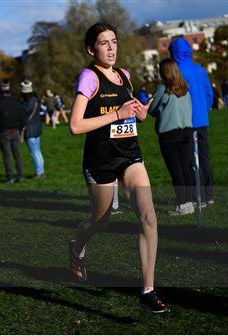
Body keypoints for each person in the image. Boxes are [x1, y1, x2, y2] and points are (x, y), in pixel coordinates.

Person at [68, 23, 168, 314]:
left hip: (129, 156)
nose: (111, 48)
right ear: (91, 49)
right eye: (103, 43)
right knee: (100, 222)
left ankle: (148, 290)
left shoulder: (124, 75)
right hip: (100, 162)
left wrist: (141, 112)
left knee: (149, 217)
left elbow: (131, 115)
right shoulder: (88, 77)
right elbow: (75, 126)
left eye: (114, 41)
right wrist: (116, 114)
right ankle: (77, 249)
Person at [169, 37, 214, 205]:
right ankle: (208, 195)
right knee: (203, 157)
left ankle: (198, 195)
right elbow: (209, 93)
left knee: (189, 160)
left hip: (185, 121)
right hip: (202, 119)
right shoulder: (200, 69)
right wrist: (205, 108)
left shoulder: (176, 71)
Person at [148, 58, 194, 215]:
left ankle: (182, 204)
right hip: (187, 131)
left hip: (169, 134)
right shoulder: (184, 88)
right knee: (185, 168)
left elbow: (151, 110)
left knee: (176, 170)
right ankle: (190, 202)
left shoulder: (162, 89)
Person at [0, 80, 25, 183]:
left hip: (3, 132)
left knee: (7, 156)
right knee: (17, 154)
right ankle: (20, 175)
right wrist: (20, 128)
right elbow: (23, 119)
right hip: (15, 131)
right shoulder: (17, 103)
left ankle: (10, 177)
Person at [20, 79, 45, 179]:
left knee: (34, 152)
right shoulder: (36, 100)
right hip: (37, 128)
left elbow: (23, 114)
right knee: (38, 151)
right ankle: (41, 170)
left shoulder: (25, 104)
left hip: (29, 130)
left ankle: (39, 172)